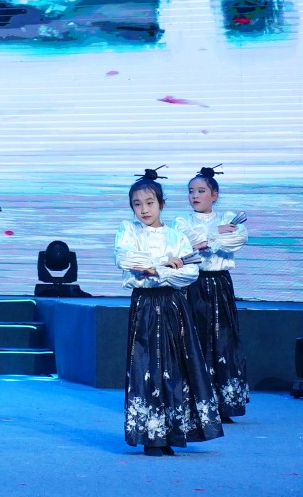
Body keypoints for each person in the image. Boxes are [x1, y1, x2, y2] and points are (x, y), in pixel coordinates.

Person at [115, 167, 223, 455]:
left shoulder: (176, 235)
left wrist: (158, 270)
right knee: (146, 366)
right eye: (137, 204)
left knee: (175, 366)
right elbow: (127, 260)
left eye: (150, 203)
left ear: (161, 203)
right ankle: (151, 436)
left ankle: (173, 432)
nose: (144, 209)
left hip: (174, 305)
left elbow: (190, 271)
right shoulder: (128, 231)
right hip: (145, 305)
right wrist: (165, 263)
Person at [174, 166, 249, 422]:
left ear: (214, 195)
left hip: (219, 284)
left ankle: (223, 403)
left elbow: (238, 239)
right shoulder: (182, 221)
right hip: (193, 284)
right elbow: (186, 243)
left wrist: (208, 241)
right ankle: (197, 402)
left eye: (201, 191)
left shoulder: (228, 217)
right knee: (195, 340)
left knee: (223, 341)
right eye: (191, 191)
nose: (195, 196)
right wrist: (217, 233)